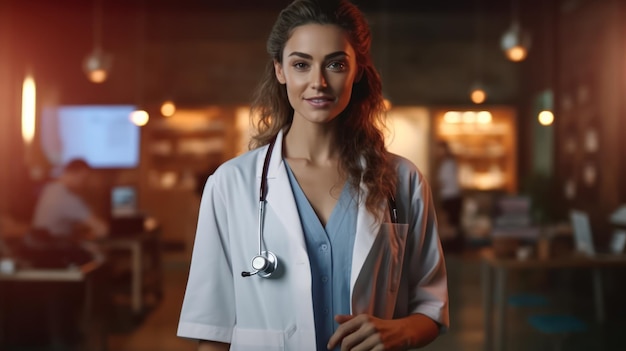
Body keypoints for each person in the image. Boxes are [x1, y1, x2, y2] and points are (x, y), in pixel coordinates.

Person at [177, 1, 449, 350]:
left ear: (358, 72)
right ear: (280, 70)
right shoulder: (230, 184)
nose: (318, 82)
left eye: (336, 64)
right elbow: (212, 332)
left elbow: (431, 305)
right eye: (301, 64)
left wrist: (402, 331)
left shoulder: (403, 180)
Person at [31, 158, 108, 241]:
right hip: (55, 248)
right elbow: (102, 230)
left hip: (40, 245)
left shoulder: (49, 188)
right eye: (85, 178)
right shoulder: (68, 198)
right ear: (81, 174)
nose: (84, 183)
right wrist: (89, 238)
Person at [435, 140, 464, 252]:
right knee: (452, 223)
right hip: (451, 197)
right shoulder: (448, 163)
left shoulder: (448, 164)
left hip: (451, 197)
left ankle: (454, 248)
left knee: (452, 224)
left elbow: (443, 182)